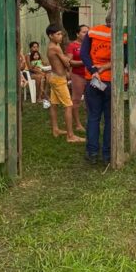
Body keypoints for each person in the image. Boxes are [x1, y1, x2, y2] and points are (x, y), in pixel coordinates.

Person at [80, 14, 116, 166]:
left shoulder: (92, 32)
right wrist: (107, 67)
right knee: (109, 118)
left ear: (105, 21)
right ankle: (107, 153)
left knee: (93, 117)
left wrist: (93, 69)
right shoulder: (122, 35)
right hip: (112, 81)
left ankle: (92, 152)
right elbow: (125, 58)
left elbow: (83, 54)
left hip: (94, 80)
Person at [45, 25, 85, 143]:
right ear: (50, 36)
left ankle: (55, 129)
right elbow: (67, 62)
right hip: (58, 80)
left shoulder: (55, 46)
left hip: (55, 77)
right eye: (57, 34)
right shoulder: (55, 47)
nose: (60, 36)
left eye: (61, 34)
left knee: (54, 104)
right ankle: (70, 136)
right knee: (68, 105)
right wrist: (83, 61)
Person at [66, 24, 89, 133]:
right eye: (84, 32)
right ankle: (78, 124)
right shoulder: (72, 46)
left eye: (87, 32)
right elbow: (69, 61)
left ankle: (90, 121)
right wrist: (83, 62)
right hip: (78, 75)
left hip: (90, 75)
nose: (86, 34)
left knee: (91, 99)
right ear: (77, 34)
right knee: (76, 100)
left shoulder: (90, 44)